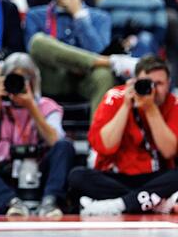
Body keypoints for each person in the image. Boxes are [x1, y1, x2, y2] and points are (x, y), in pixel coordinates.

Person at [0, 53, 74, 217]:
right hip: (3, 174)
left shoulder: (47, 106)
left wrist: (31, 106)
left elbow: (55, 140)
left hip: (39, 171)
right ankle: (11, 203)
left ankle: (50, 202)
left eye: (23, 80)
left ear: (33, 82)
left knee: (65, 146)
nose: (17, 85)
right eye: (13, 79)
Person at [68, 56, 178, 215]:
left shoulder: (173, 104)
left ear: (168, 84)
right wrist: (126, 106)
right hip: (116, 177)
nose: (152, 89)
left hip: (155, 177)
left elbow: (169, 151)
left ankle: (121, 204)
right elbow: (105, 147)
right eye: (147, 83)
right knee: (77, 176)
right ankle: (151, 201)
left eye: (159, 84)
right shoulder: (116, 96)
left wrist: (151, 109)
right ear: (134, 81)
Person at [25, 0, 132, 111]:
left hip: (85, 79)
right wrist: (77, 61)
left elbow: (99, 50)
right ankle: (113, 62)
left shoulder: (100, 17)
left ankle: (98, 134)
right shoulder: (35, 15)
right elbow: (35, 52)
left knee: (104, 75)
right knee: (38, 41)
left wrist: (79, 16)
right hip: (50, 78)